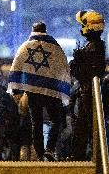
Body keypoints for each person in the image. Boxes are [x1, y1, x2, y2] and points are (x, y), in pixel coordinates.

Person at [8, 22, 71, 161]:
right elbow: (63, 67)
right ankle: (49, 149)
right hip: (51, 90)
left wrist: (16, 91)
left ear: (33, 30)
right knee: (56, 121)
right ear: (45, 30)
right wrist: (62, 89)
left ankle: (40, 153)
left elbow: (16, 66)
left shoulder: (25, 47)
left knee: (36, 123)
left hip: (33, 90)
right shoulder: (55, 47)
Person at [69, 10, 106, 161]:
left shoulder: (93, 48)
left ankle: (82, 157)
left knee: (84, 127)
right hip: (87, 92)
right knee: (83, 126)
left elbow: (85, 74)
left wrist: (76, 63)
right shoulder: (96, 45)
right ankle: (79, 156)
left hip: (88, 93)